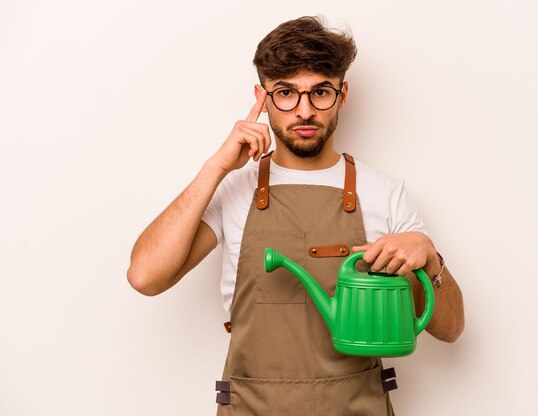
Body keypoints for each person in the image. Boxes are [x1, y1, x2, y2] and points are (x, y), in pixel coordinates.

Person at [127, 15, 464, 415]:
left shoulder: (385, 195)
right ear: (262, 96)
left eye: (320, 92)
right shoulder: (234, 189)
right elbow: (145, 276)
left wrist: (429, 257)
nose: (304, 111)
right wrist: (215, 168)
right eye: (286, 93)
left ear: (342, 96)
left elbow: (451, 329)